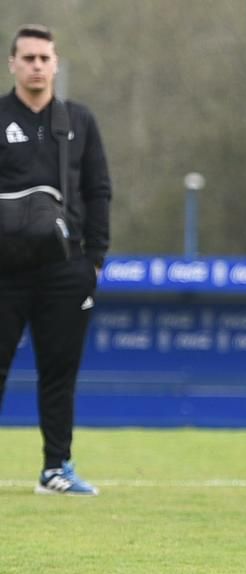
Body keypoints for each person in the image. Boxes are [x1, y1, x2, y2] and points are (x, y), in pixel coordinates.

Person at [0, 24, 110, 496]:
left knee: (59, 371)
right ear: (12, 64)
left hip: (66, 269)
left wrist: (96, 259)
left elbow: (98, 190)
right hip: (4, 269)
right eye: (28, 58)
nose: (37, 66)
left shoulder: (78, 121)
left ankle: (55, 468)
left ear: (56, 63)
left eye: (44, 58)